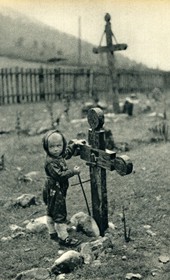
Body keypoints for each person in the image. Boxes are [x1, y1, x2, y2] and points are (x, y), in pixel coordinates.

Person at [42, 129, 80, 247]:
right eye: (52, 146)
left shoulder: (58, 155)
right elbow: (59, 175)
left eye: (59, 145)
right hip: (54, 189)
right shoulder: (50, 161)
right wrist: (73, 172)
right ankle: (64, 238)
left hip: (56, 189)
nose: (56, 149)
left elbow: (66, 153)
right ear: (46, 147)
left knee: (51, 209)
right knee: (59, 212)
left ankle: (52, 232)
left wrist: (74, 145)